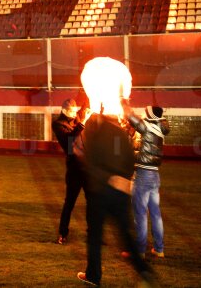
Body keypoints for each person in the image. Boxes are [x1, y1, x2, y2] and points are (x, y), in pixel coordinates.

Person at [76, 111, 155, 286]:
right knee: (126, 234)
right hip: (120, 191)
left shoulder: (95, 134)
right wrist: (124, 179)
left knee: (95, 236)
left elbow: (91, 162)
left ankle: (93, 276)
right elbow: (129, 160)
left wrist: (105, 178)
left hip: (100, 192)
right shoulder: (120, 134)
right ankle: (143, 270)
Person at [123, 103, 170, 259]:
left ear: (151, 115)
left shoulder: (150, 127)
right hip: (155, 175)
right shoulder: (159, 127)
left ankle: (140, 251)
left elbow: (131, 118)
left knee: (140, 214)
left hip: (143, 174)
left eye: (146, 113)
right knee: (156, 214)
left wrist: (123, 103)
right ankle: (159, 249)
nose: (144, 114)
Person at [51, 99, 91, 244]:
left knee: (91, 202)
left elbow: (85, 104)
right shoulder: (58, 124)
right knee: (69, 203)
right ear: (64, 111)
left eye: (76, 111)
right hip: (74, 169)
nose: (75, 114)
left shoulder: (76, 119)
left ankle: (92, 233)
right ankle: (63, 233)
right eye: (72, 112)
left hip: (87, 167)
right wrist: (83, 122)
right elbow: (69, 142)